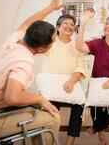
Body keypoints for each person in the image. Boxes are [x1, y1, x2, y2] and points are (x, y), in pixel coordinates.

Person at [0, 0, 63, 145]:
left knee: (38, 109)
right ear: (41, 49)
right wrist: (41, 99)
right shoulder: (24, 62)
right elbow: (13, 97)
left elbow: (27, 23)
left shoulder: (15, 40)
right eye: (53, 42)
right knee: (53, 117)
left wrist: (52, 7)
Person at [76, 12, 109, 145]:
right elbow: (79, 46)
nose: (107, 25)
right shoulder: (97, 43)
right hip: (98, 85)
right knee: (97, 109)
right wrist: (82, 24)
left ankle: (96, 128)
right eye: (106, 23)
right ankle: (101, 131)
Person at [45, 14, 87, 145]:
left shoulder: (77, 45)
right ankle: (50, 139)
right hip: (52, 85)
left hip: (71, 84)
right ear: (57, 27)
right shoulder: (49, 43)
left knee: (80, 106)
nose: (69, 26)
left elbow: (80, 68)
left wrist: (71, 82)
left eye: (72, 25)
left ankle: (70, 142)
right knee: (50, 110)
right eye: (66, 23)